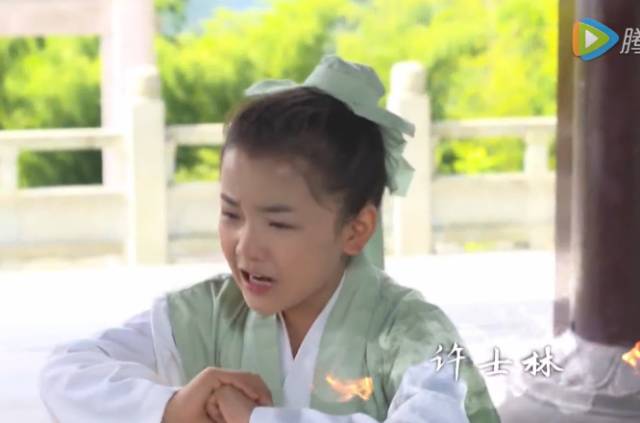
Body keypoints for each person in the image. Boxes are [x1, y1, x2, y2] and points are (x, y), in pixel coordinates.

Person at [40, 56, 500, 423]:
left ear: (356, 228)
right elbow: (65, 373)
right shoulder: (209, 314)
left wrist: (258, 419)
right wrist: (171, 408)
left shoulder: (411, 331)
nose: (245, 247)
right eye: (231, 214)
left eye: (278, 224)